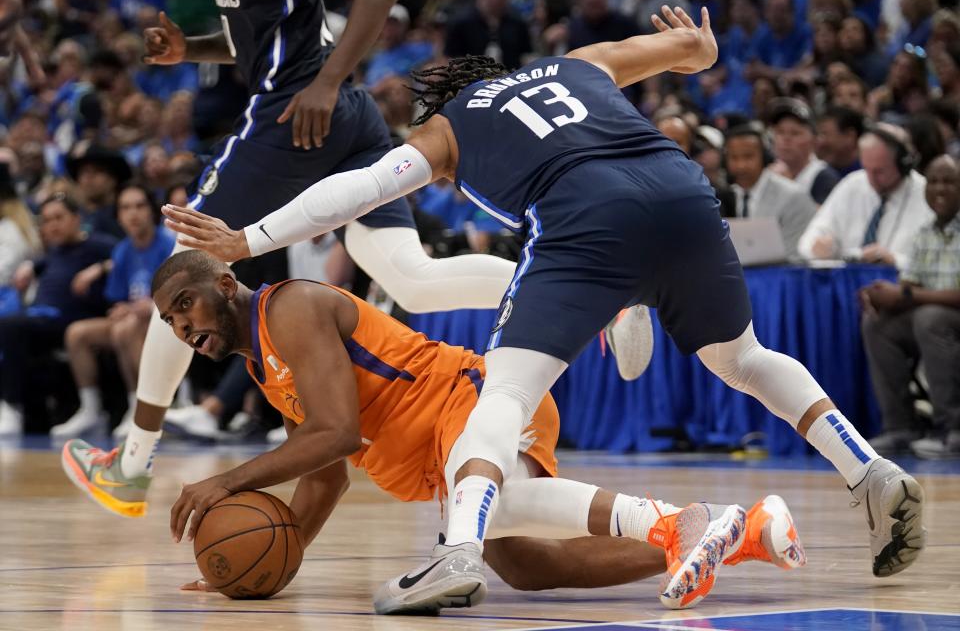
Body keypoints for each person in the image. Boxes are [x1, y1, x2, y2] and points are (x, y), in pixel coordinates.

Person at [161, 7, 924, 610]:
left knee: (506, 393)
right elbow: (689, 55)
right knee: (743, 359)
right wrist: (698, 50)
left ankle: (455, 553)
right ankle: (870, 472)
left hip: (582, 217)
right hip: (678, 185)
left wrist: (248, 235)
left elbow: (359, 187)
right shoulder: (575, 65)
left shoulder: (449, 127)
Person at [93, 250, 805, 612]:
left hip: (465, 401)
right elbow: (325, 473)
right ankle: (736, 535)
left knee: (501, 510)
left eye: (186, 304)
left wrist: (228, 480)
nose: (184, 326)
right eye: (171, 321)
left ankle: (684, 521)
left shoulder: (292, 309)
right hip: (440, 446)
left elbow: (338, 434)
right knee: (522, 564)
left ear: (224, 282)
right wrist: (268, 564)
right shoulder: (263, 364)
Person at [62, 0, 534, 517]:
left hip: (297, 109)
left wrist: (327, 81)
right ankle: (570, 287)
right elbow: (271, 34)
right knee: (412, 277)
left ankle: (130, 465)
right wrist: (192, 49)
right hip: (347, 116)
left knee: (184, 268)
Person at [52, 184, 174, 438]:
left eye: (139, 206)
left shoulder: (168, 243)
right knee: (77, 333)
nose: (133, 214)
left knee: (125, 329)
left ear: (152, 211)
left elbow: (182, 292)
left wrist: (150, 305)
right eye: (126, 208)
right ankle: (91, 411)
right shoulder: (122, 250)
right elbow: (118, 299)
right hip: (133, 322)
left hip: (168, 322)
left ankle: (146, 409)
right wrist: (122, 309)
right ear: (118, 216)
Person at [860, 155, 960, 458]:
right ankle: (901, 426)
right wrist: (883, 294)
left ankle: (953, 430)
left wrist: (908, 297)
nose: (939, 189)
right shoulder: (924, 232)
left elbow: (918, 296)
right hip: (934, 317)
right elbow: (911, 286)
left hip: (943, 319)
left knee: (930, 318)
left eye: (949, 181)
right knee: (878, 324)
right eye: (933, 181)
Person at [0, 194, 115, 436]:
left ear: (76, 219)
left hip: (70, 320)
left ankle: (11, 406)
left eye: (58, 218)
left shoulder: (97, 245)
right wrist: (29, 267)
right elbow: (38, 264)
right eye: (47, 220)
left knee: (10, 325)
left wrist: (98, 268)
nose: (52, 225)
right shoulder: (51, 254)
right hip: (39, 321)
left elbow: (124, 254)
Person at [799, 123, 932, 267]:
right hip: (847, 283)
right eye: (867, 169)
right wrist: (817, 247)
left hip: (899, 284)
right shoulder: (853, 184)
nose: (871, 179)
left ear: (904, 163)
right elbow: (808, 240)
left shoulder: (927, 195)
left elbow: (934, 264)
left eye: (879, 171)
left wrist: (895, 260)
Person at [723, 124, 817, 259]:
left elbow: (794, 256)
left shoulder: (794, 197)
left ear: (765, 157)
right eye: (734, 158)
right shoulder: (722, 198)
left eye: (748, 157)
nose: (741, 165)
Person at [768, 98, 841, 205]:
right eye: (780, 132)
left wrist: (787, 186)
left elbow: (823, 218)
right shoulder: (768, 173)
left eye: (795, 133)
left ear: (814, 140)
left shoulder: (824, 178)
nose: (786, 139)